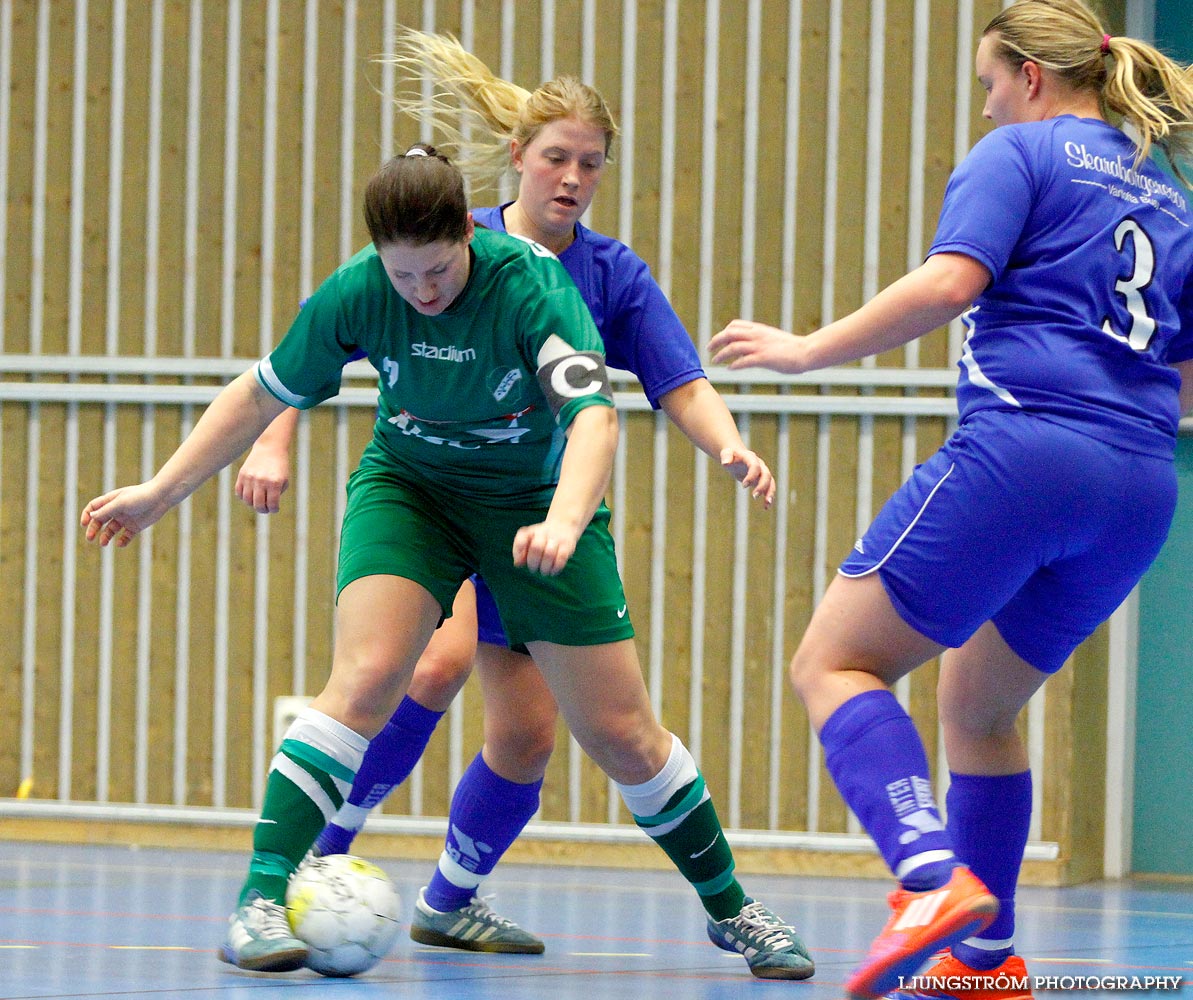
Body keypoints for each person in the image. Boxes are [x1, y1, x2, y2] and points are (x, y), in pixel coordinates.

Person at [81, 143, 813, 981]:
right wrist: (160, 491)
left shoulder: (530, 286)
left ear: (468, 230)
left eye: (436, 270)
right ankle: (259, 898)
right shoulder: (359, 289)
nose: (422, 293)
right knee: (369, 677)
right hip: (412, 491)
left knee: (619, 735)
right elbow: (261, 393)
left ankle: (732, 909)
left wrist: (567, 521)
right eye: (403, 277)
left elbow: (594, 420)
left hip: (533, 506)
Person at [234, 26, 799, 969]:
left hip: (540, 512)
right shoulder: (445, 244)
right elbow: (318, 347)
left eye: (591, 164)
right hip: (435, 498)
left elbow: (674, 382)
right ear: (517, 161)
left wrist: (730, 444)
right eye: (555, 158)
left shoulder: (606, 274)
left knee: (540, 732)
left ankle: (452, 900)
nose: (572, 178)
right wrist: (274, 431)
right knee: (421, 664)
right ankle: (313, 862)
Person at [708, 1, 1193, 998]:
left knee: (834, 660)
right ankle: (983, 958)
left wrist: (804, 349)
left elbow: (947, 283)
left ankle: (929, 878)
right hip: (1139, 486)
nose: (983, 104)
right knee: (979, 703)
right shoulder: (1171, 198)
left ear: (1026, 74)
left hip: (1022, 448)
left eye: (984, 82)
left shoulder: (1018, 152)